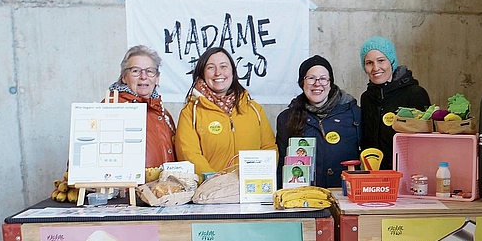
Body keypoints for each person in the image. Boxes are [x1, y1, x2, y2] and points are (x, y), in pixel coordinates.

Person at [174, 47, 276, 175]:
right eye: (211, 67)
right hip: (211, 191)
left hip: (251, 189)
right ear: (202, 73)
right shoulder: (190, 112)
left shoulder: (254, 109)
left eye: (224, 66)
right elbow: (188, 153)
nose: (218, 73)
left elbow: (269, 148)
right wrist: (216, 182)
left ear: (233, 71)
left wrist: (257, 177)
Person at [275, 55, 361, 188]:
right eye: (311, 78)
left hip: (345, 195)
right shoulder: (287, 118)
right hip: (303, 198)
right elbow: (282, 164)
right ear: (301, 83)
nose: (317, 83)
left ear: (330, 82)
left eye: (323, 78)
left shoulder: (354, 113)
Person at [358, 36, 430, 159]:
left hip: (405, 172)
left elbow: (425, 141)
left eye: (381, 60)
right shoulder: (366, 98)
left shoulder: (415, 93)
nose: (375, 68)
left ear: (392, 61)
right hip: (373, 172)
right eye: (369, 63)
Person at [106, 45, 176, 168]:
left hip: (162, 186)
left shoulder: (164, 114)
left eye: (150, 71)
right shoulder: (111, 107)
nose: (143, 76)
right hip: (128, 186)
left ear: (157, 78)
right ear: (124, 77)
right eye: (136, 71)